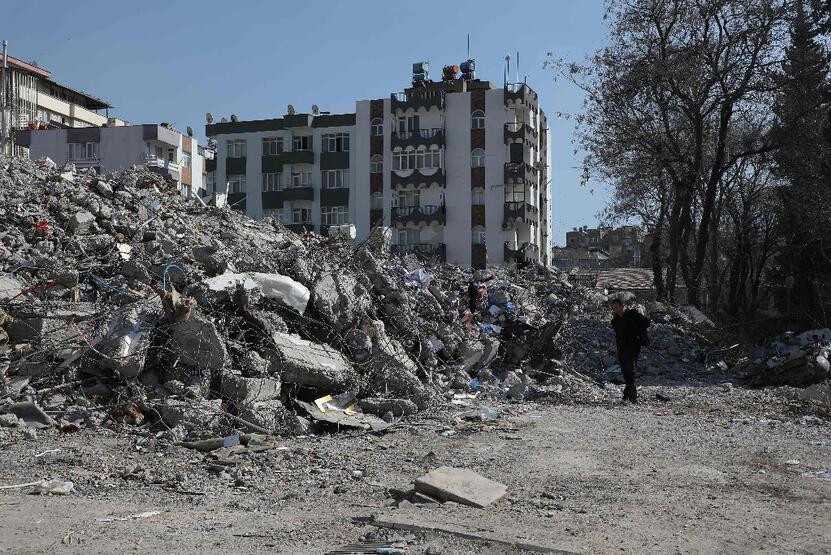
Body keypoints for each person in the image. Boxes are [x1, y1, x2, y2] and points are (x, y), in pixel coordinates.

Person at [610, 295, 650, 402]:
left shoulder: (632, 314)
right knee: (624, 370)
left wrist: (636, 333)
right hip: (621, 347)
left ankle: (632, 394)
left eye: (616, 307)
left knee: (630, 369)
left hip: (633, 346)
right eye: (613, 308)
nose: (615, 310)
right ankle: (628, 392)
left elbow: (646, 322)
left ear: (622, 306)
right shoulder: (616, 320)